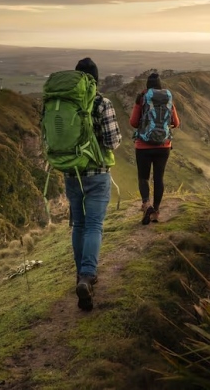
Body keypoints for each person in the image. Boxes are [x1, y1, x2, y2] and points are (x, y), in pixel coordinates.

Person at [66, 57, 121, 311]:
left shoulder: (65, 104)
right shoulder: (102, 103)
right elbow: (112, 142)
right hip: (97, 174)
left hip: (71, 173)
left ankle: (80, 275)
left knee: (78, 223)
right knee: (94, 225)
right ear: (96, 80)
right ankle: (88, 276)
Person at [129, 72, 180, 225]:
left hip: (143, 145)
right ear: (160, 85)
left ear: (147, 86)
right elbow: (176, 123)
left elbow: (133, 122)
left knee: (143, 177)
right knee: (159, 178)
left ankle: (146, 204)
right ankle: (156, 212)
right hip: (163, 146)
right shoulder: (167, 99)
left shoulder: (142, 98)